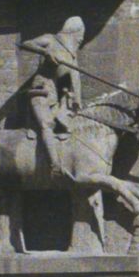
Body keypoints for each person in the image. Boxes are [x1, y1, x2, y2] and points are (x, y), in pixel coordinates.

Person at [19, 15, 86, 180]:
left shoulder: (72, 55)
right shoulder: (51, 39)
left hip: (54, 93)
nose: (81, 40)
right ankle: (55, 166)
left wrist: (77, 99)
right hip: (40, 90)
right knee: (46, 125)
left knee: (68, 124)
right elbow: (26, 43)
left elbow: (75, 78)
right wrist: (46, 52)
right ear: (74, 32)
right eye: (80, 36)